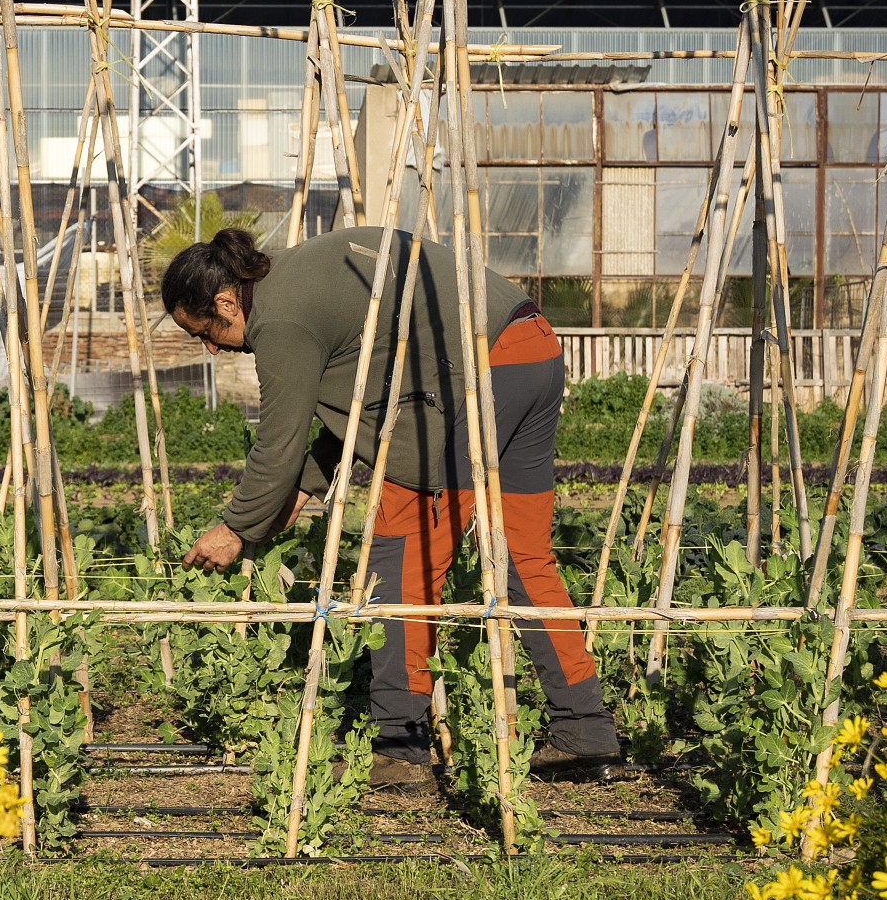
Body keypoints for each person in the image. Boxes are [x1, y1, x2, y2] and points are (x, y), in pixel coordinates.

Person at [163, 225, 623, 787]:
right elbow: (360, 398)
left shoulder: (278, 320)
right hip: (531, 348)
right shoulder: (295, 276)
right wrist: (306, 487)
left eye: (205, 333)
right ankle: (585, 731)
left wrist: (236, 527)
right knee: (522, 555)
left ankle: (399, 748)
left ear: (225, 301)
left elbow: (278, 442)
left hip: (474, 377)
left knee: (402, 560)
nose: (213, 349)